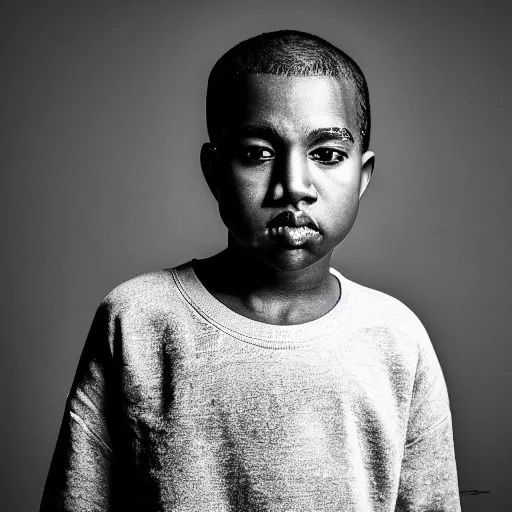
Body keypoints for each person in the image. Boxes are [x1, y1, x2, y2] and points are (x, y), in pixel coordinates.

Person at [40, 30, 461, 511]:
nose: (293, 187)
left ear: (362, 177)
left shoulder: (397, 338)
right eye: (258, 153)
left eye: (326, 154)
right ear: (214, 172)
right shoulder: (136, 319)